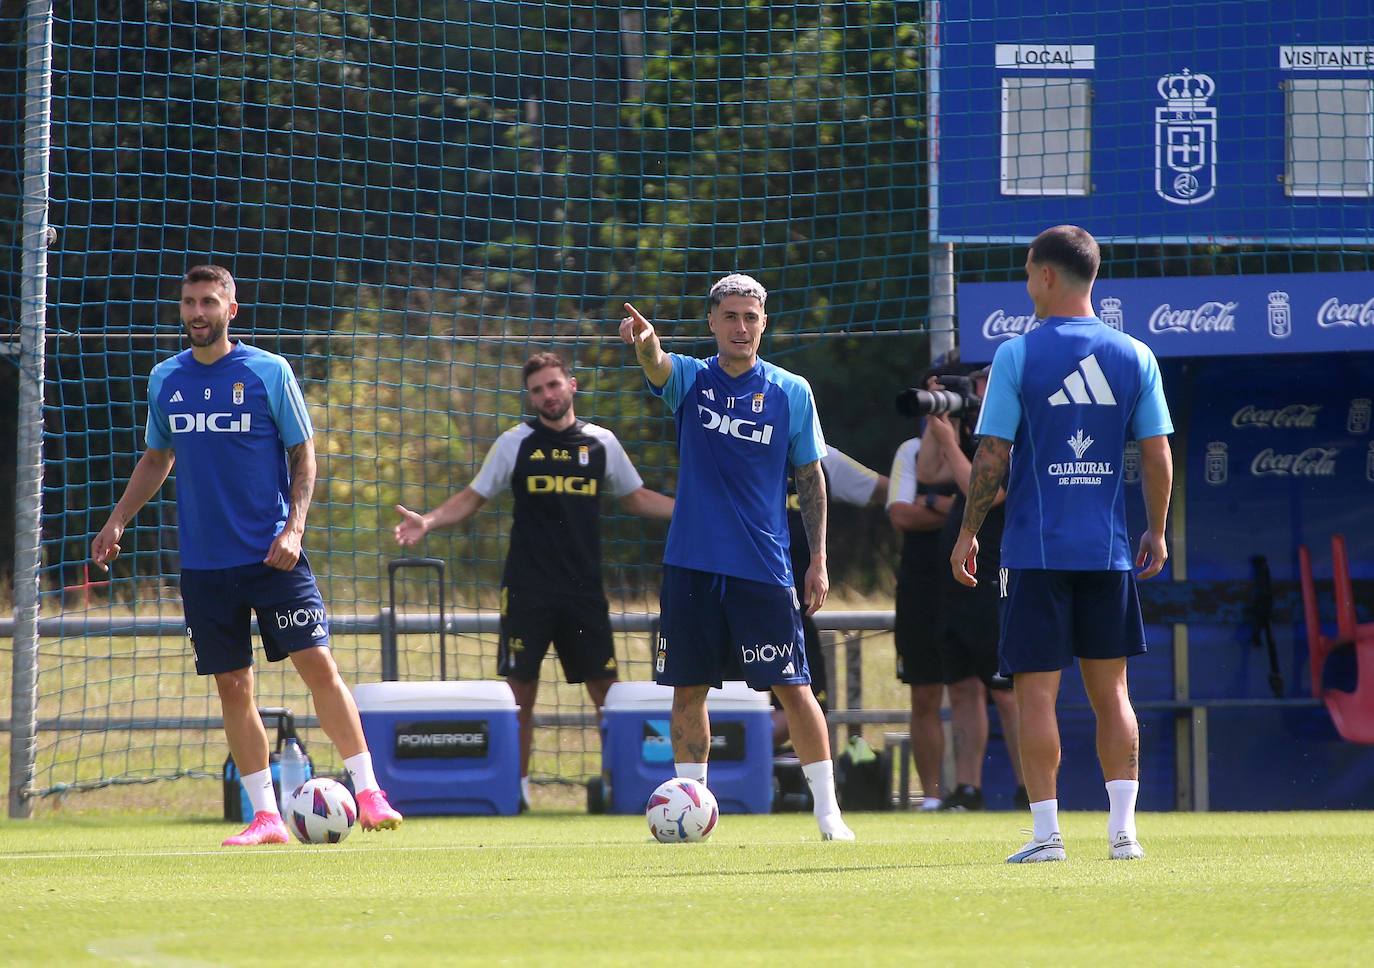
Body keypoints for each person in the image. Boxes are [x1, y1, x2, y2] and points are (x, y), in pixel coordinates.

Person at [91, 264, 403, 846]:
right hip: (206, 566)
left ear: (231, 310)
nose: (197, 313)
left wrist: (294, 529)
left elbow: (303, 457)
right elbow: (158, 458)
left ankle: (367, 791)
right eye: (189, 302)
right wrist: (117, 520)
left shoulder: (268, 372)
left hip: (273, 556)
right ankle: (266, 816)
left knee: (317, 664)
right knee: (233, 685)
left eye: (209, 301)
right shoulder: (166, 379)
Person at [950, 225, 1173, 863]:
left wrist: (968, 532)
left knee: (1036, 696)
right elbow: (1157, 452)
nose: (1027, 287)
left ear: (1046, 275)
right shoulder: (1136, 355)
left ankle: (1047, 837)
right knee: (1114, 695)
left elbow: (992, 455)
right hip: (1107, 556)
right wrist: (1156, 530)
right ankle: (1123, 833)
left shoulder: (1018, 356)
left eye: (1026, 274)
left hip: (1034, 555)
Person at [620, 273, 854, 841]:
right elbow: (657, 367)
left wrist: (817, 557)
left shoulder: (791, 391)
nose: (741, 326)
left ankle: (829, 813)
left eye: (750, 316)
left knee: (794, 686)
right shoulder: (693, 380)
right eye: (730, 316)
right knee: (688, 688)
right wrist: (647, 343)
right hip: (693, 564)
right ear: (712, 322)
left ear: (763, 323)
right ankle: (691, 806)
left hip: (763, 566)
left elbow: (811, 476)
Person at [394, 353, 674, 809]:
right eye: (538, 389)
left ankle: (620, 787)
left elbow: (637, 497)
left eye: (553, 385)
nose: (547, 395)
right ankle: (517, 792)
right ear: (531, 397)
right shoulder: (515, 443)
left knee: (609, 691)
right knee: (519, 692)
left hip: (584, 590)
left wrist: (689, 511)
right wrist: (427, 521)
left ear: (572, 386)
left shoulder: (601, 443)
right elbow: (473, 496)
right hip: (527, 589)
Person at [918, 367, 1026, 812]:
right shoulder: (963, 436)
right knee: (961, 686)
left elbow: (984, 491)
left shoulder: (1012, 430)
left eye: (982, 381)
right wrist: (936, 420)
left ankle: (1029, 788)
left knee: (1005, 690)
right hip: (955, 579)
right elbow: (927, 472)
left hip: (995, 573)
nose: (977, 390)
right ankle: (967, 788)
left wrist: (948, 440)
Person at [777, 448, 889, 745]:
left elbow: (890, 492)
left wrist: (934, 499)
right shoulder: (737, 445)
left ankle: (753, 760)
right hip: (738, 601)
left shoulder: (821, 455)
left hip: (793, 617)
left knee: (808, 704)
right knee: (737, 707)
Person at [886, 373, 959, 811]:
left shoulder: (986, 449)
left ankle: (1006, 793)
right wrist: (950, 508)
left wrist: (930, 505)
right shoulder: (910, 452)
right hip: (921, 587)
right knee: (925, 692)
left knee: (996, 694)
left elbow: (989, 500)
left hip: (975, 584)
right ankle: (932, 796)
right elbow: (901, 515)